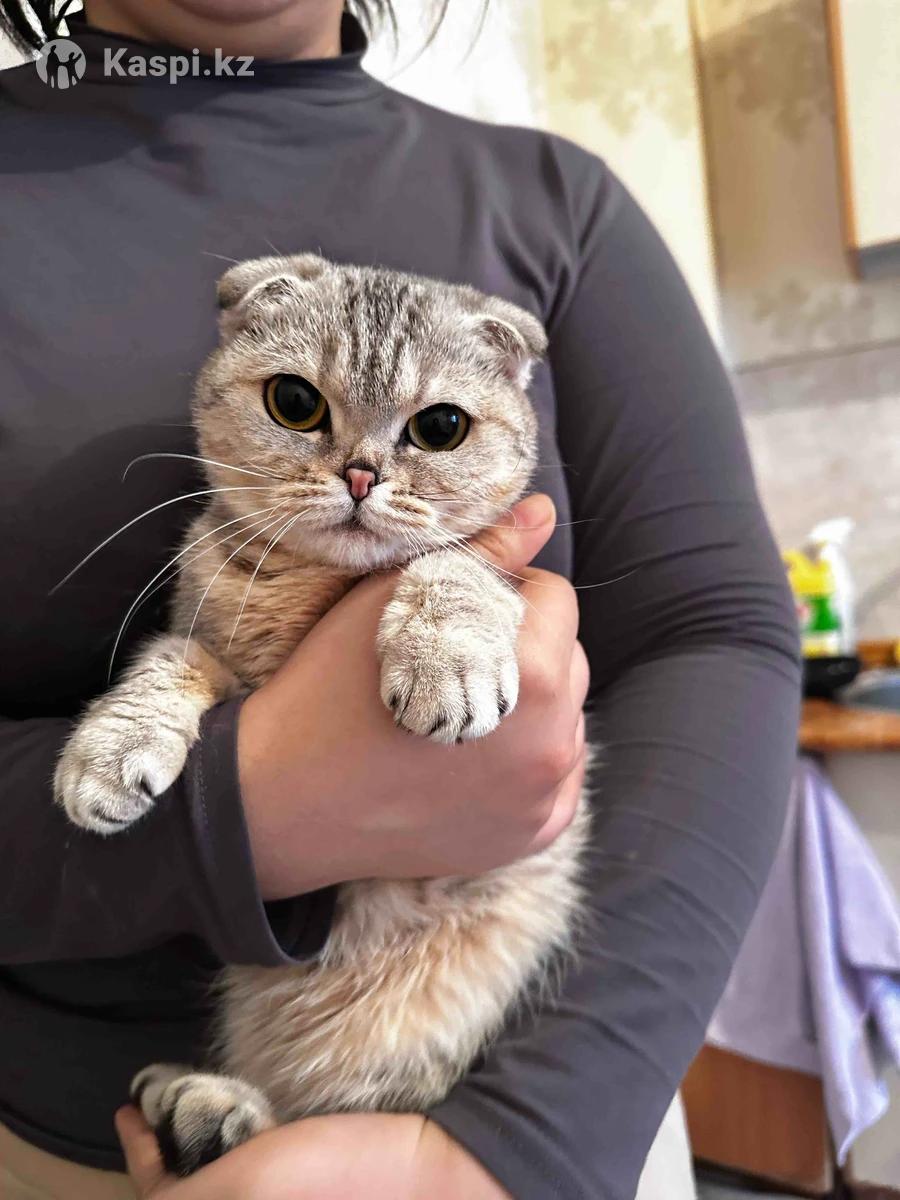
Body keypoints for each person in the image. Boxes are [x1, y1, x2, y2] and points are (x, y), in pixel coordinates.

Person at [0, 2, 801, 1198]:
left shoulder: (559, 201)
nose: (362, 474)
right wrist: (243, 802)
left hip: (544, 1103)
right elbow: (201, 667)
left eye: (435, 428)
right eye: (300, 408)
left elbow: (715, 637)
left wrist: (517, 1149)